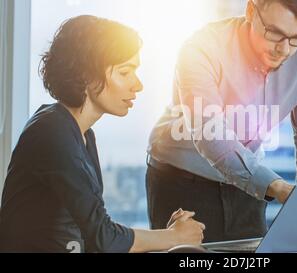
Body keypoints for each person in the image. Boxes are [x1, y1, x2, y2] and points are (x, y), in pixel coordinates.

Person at [0, 15, 204, 253]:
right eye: (125, 72)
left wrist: (167, 236)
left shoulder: (82, 135)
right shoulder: (52, 133)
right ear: (87, 75)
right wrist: (170, 237)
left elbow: (92, 233)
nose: (137, 85)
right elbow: (104, 238)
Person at [146, 0, 297, 243]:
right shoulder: (201, 48)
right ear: (251, 11)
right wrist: (276, 186)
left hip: (249, 181)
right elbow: (211, 137)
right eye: (274, 33)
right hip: (182, 178)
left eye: (296, 37)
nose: (284, 49)